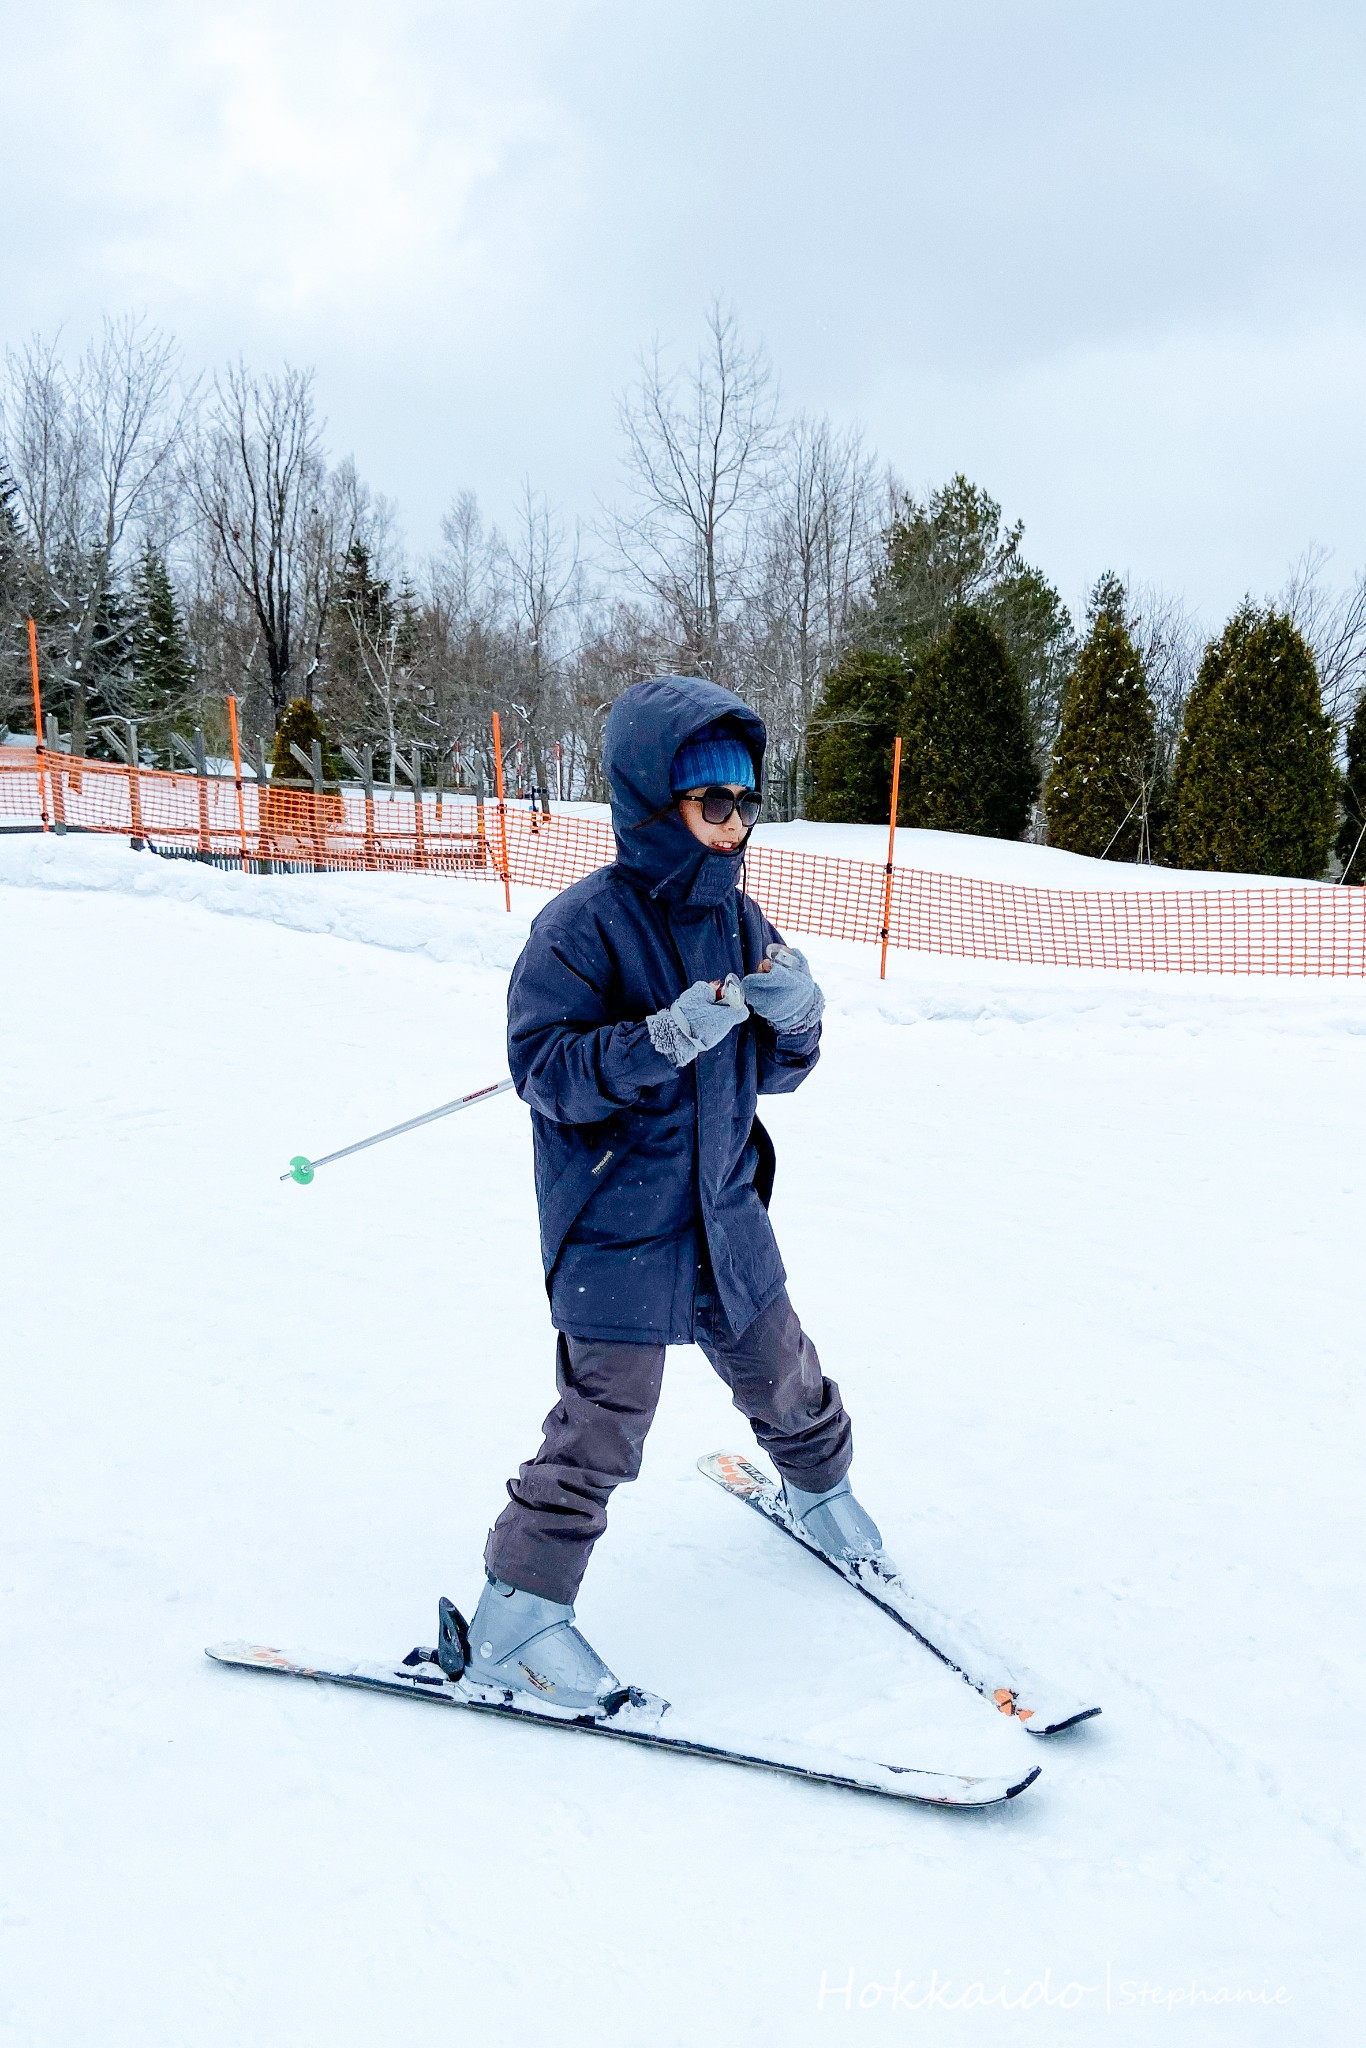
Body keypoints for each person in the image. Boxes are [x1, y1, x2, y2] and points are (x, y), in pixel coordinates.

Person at [464, 675, 883, 1710]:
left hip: (724, 1207)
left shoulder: (743, 923)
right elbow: (545, 1074)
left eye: (747, 801)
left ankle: (818, 1489)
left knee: (782, 1367)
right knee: (606, 1416)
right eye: (713, 802)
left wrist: (796, 1019)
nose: (736, 824)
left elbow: (774, 1073)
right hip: (615, 1217)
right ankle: (517, 1608)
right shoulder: (581, 928)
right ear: (658, 803)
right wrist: (650, 1042)